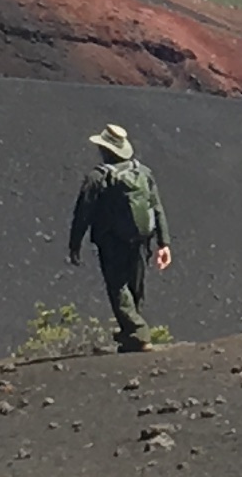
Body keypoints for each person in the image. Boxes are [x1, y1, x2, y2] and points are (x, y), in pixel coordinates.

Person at [62, 123, 173, 350]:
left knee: (117, 286)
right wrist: (164, 243)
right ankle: (131, 335)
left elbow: (83, 213)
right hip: (142, 239)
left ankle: (137, 332)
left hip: (111, 241)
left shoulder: (97, 178)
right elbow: (157, 207)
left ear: (106, 150)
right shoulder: (143, 172)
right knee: (135, 285)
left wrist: (75, 244)